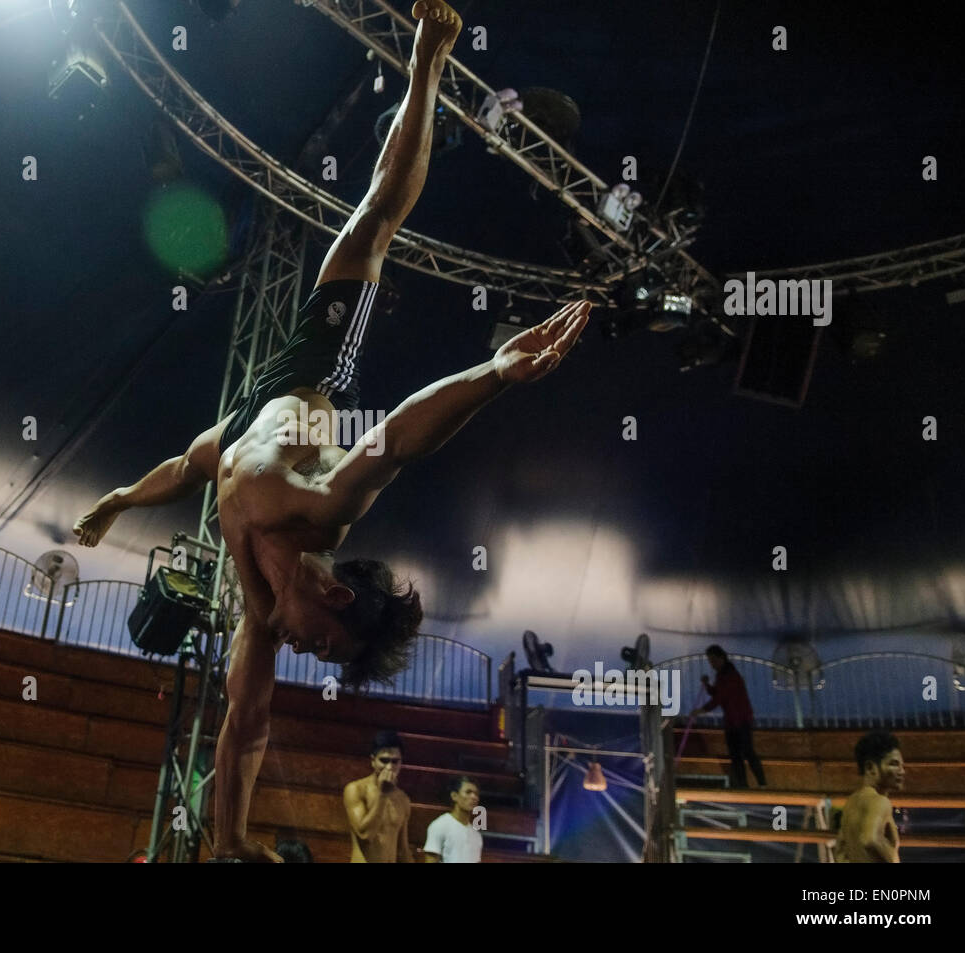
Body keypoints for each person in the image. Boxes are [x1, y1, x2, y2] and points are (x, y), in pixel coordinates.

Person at [75, 0, 590, 862]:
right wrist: (496, 375)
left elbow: (245, 724)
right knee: (375, 219)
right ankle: (428, 61)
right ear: (338, 592)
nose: (306, 649)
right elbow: (397, 435)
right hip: (320, 367)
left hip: (242, 424)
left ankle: (424, 70)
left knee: (205, 457)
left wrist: (232, 845)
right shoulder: (323, 510)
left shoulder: (258, 606)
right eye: (324, 642)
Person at [689, 645, 766, 788]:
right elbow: (717, 693)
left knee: (747, 752)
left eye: (713, 660)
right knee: (736, 756)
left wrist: (700, 711)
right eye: (710, 661)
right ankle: (743, 786)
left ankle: (762, 784)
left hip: (741, 720)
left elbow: (719, 698)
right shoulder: (721, 675)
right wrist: (707, 685)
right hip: (731, 722)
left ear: (721, 658)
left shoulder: (730, 675)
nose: (711, 664)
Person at [833, 731, 904, 863]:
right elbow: (870, 839)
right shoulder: (880, 801)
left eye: (902, 765)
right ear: (871, 767)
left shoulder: (851, 802)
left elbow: (839, 851)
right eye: (894, 764)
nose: (902, 771)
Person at [342, 731, 412, 863]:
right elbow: (365, 835)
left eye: (395, 761)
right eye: (384, 761)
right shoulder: (356, 790)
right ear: (373, 760)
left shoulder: (403, 799)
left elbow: (403, 850)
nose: (389, 767)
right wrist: (382, 795)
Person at [423, 775, 483, 863]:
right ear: (454, 796)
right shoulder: (440, 826)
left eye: (476, 794)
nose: (474, 797)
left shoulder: (476, 835)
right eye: (468, 792)